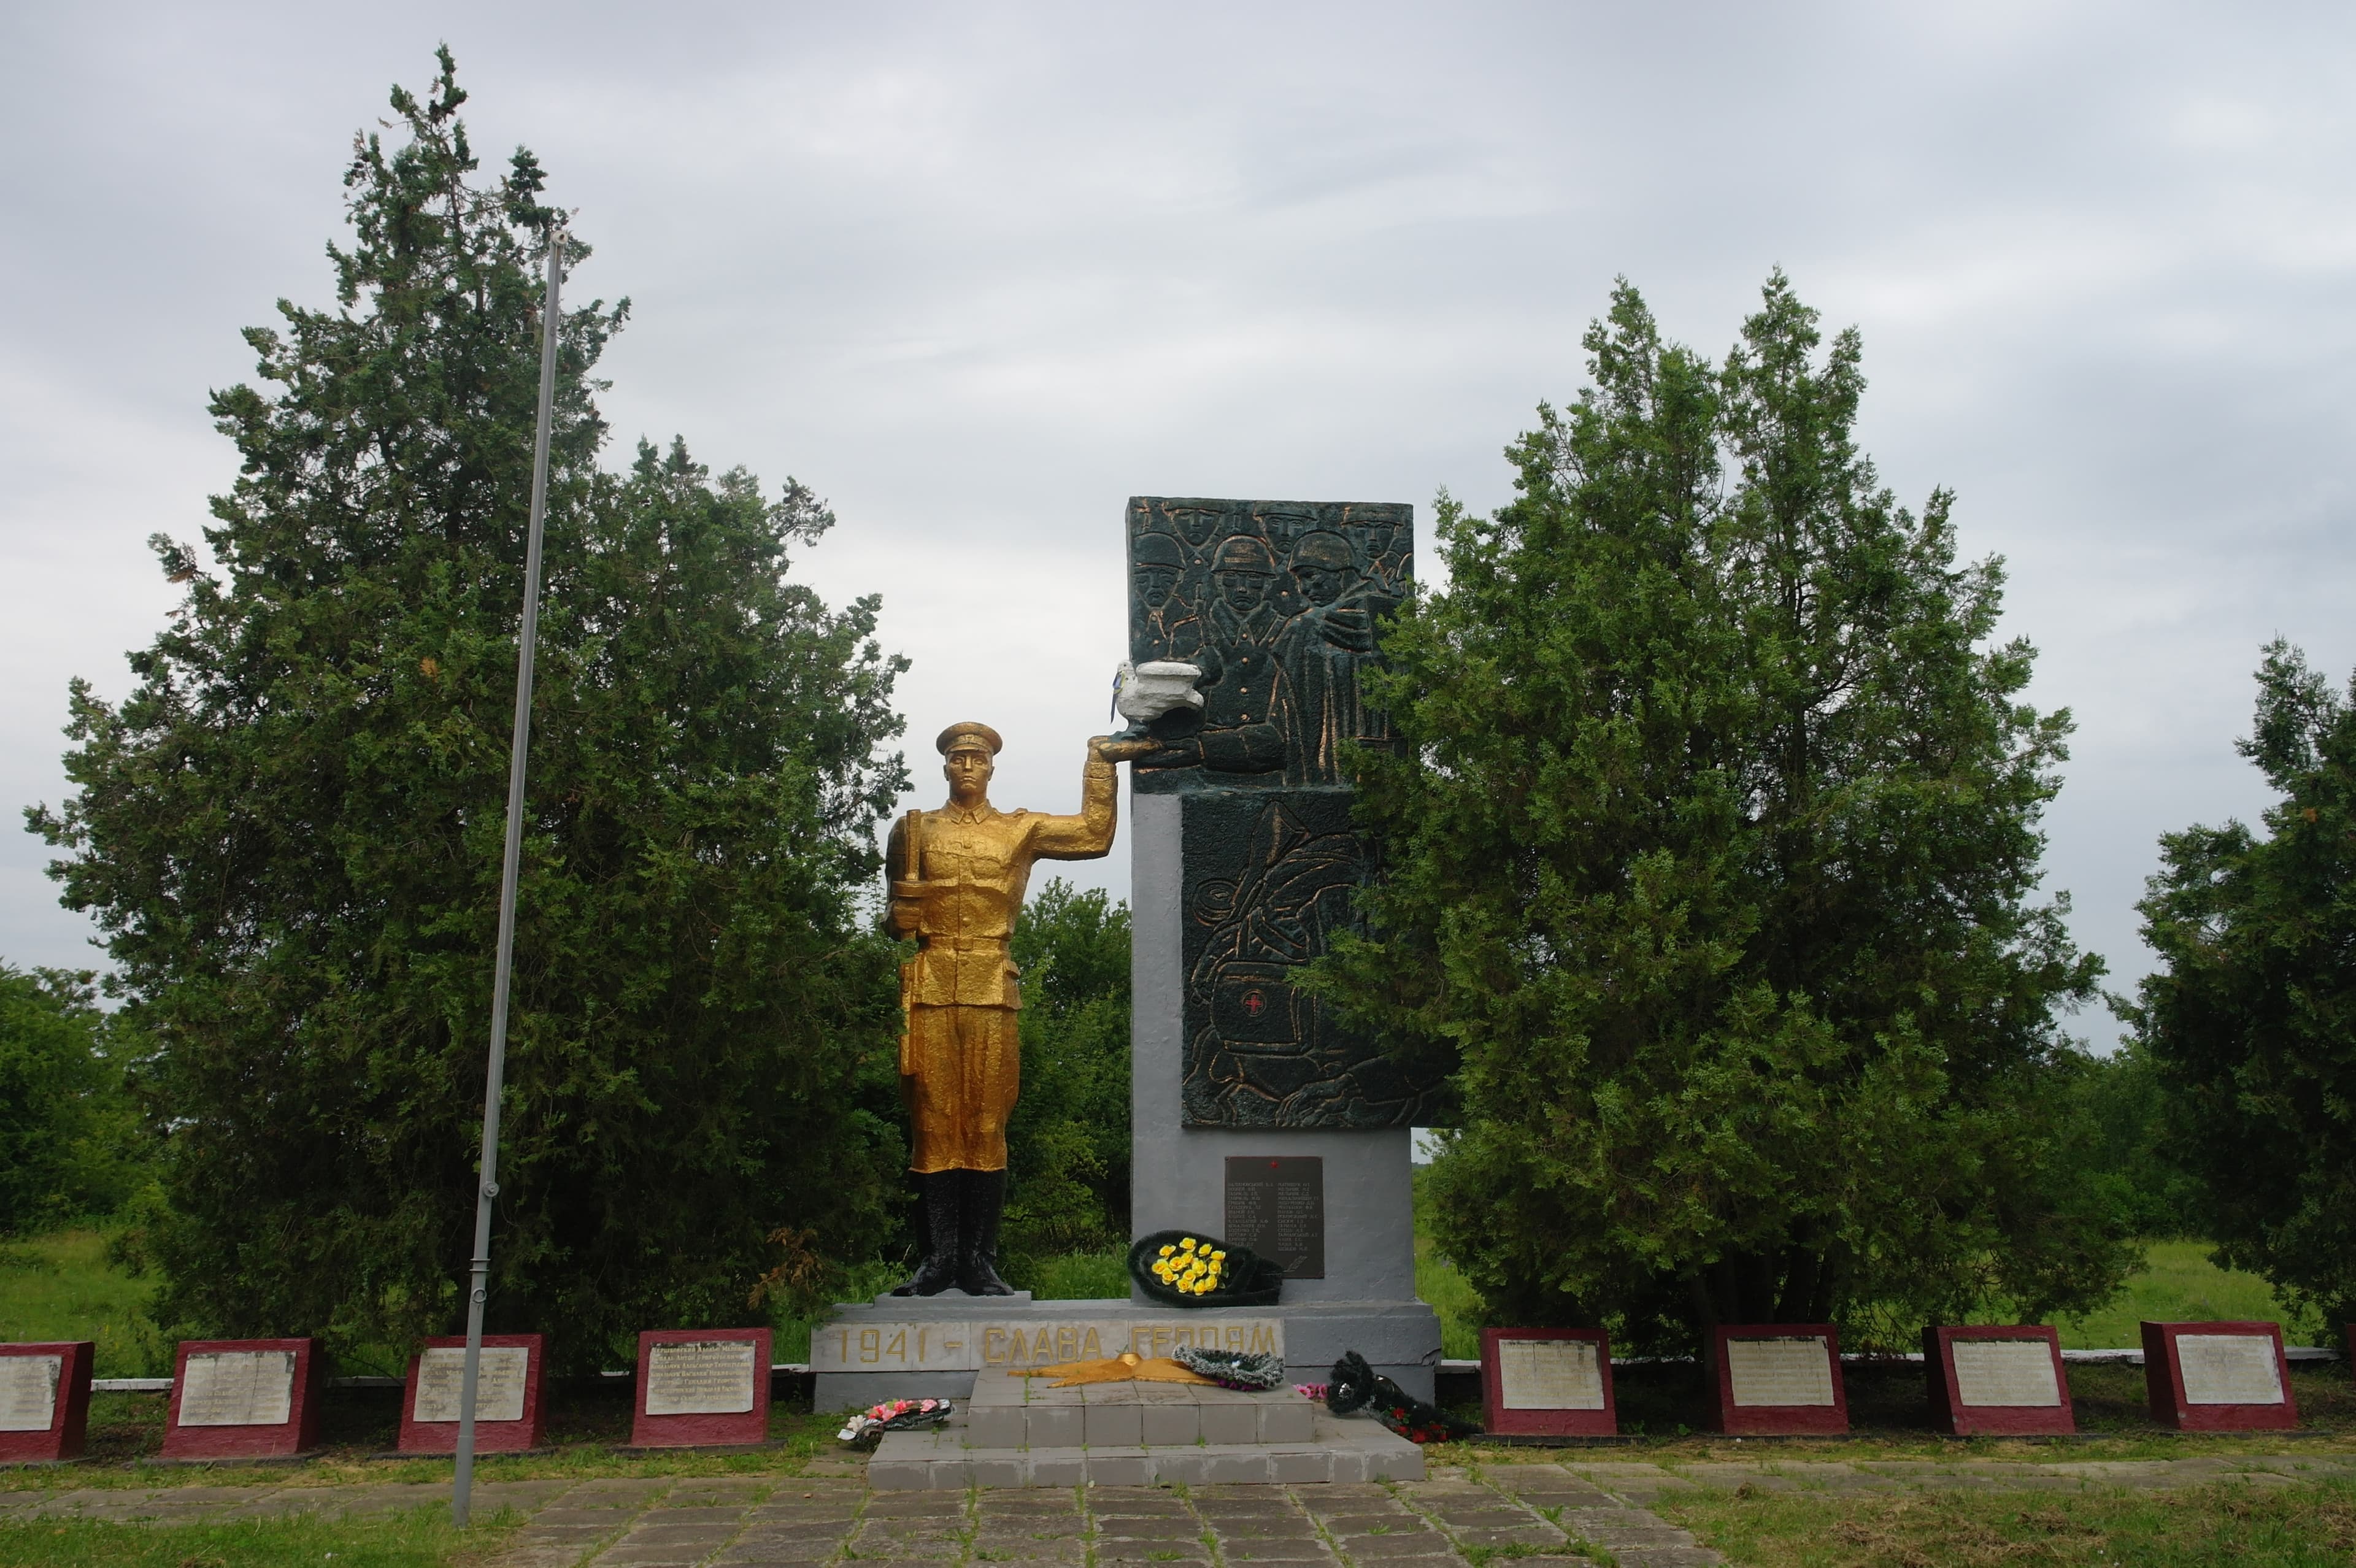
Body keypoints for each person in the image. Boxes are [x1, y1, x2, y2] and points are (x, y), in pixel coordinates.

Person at [883, 722, 1153, 1295]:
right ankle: (937, 1261)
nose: (967, 767)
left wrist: (1100, 761)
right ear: (946, 767)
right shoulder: (913, 831)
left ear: (991, 767)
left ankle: (979, 1261)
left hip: (990, 982)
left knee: (986, 1122)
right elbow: (895, 921)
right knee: (932, 1124)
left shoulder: (1018, 829)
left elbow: (1093, 835)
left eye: (976, 759)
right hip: (930, 983)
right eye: (957, 758)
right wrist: (897, 921)